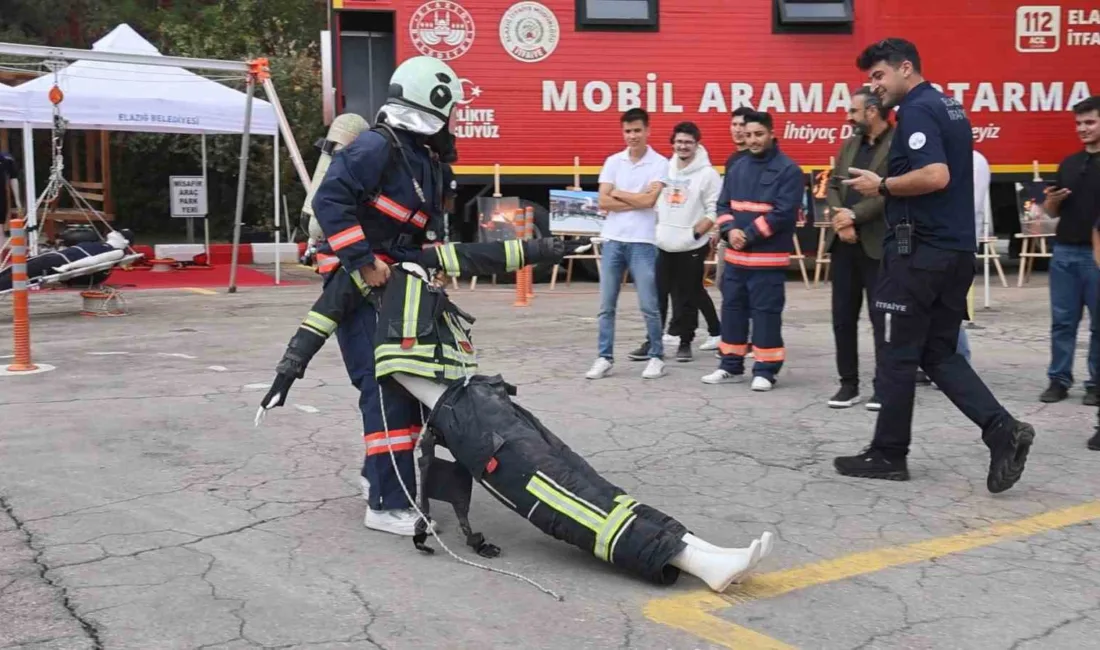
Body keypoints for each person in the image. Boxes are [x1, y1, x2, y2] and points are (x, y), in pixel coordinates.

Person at [257, 262, 776, 594]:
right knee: (566, 499)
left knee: (586, 482)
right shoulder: (371, 282)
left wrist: (545, 246)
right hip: (470, 424)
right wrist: (287, 372)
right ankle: (690, 559)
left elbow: (481, 254)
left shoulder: (412, 267)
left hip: (486, 399)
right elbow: (320, 318)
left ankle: (699, 548)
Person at [832, 38, 1035, 493]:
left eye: (880, 75)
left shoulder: (919, 110)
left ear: (906, 68)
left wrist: (883, 185)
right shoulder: (949, 106)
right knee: (938, 352)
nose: (875, 86)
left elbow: (935, 175)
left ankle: (888, 454)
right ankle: (1002, 430)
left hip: (918, 254)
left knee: (896, 353)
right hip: (954, 252)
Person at [309, 55, 465, 536]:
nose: (454, 119)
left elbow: (413, 230)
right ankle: (387, 504)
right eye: (451, 109)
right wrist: (363, 261)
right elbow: (329, 199)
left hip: (394, 286)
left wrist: (433, 267)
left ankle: (376, 476)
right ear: (432, 104)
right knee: (385, 387)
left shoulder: (421, 157)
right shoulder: (378, 146)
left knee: (402, 382)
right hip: (356, 287)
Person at [701, 110, 804, 391]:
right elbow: (723, 206)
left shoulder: (789, 170)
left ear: (772, 133)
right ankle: (730, 366)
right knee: (732, 312)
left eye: (759, 134)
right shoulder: (737, 167)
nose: (753, 140)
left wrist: (746, 234)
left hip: (767, 262)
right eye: (748, 135)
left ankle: (765, 370)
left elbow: (783, 213)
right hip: (736, 260)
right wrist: (729, 230)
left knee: (765, 315)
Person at [585, 108, 669, 381]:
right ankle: (604, 357)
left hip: (643, 242)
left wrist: (618, 193)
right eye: (628, 131)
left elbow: (649, 201)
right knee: (606, 305)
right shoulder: (613, 161)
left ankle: (656, 356)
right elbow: (603, 201)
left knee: (649, 304)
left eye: (637, 130)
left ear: (647, 131)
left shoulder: (659, 163)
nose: (633, 136)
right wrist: (636, 198)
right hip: (613, 240)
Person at [824, 86, 893, 410]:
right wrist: (841, 219)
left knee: (882, 319)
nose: (848, 116)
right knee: (842, 318)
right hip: (844, 244)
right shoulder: (850, 143)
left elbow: (890, 192)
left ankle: (884, 387)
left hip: (878, 246)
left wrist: (854, 216)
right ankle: (848, 384)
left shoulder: (898, 144)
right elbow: (833, 185)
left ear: (872, 111)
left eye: (854, 111)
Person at [1039, 95, 1100, 406]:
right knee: (1062, 322)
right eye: (1078, 123)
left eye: (1090, 122)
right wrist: (1052, 201)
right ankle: (1058, 380)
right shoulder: (1069, 163)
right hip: (1064, 252)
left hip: (1096, 255)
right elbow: (1051, 213)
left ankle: (1096, 384)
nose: (1082, 129)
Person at [651, 121, 722, 362]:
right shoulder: (663, 168)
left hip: (691, 246)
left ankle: (685, 342)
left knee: (688, 296)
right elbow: (654, 200)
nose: (683, 146)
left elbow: (714, 210)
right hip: (663, 243)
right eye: (679, 142)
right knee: (658, 296)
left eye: (688, 142)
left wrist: (695, 234)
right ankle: (653, 341)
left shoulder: (708, 174)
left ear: (696, 144)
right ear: (673, 143)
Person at [710, 106, 756, 355]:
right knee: (723, 282)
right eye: (734, 125)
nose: (737, 130)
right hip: (730, 232)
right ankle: (736, 335)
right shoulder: (732, 159)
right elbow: (726, 199)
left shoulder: (755, 159)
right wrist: (721, 227)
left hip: (747, 235)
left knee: (742, 287)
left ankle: (745, 339)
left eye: (742, 125)